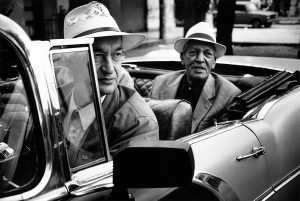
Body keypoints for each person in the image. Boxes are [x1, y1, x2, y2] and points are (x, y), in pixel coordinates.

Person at [59, 1, 159, 167]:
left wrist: (57, 145)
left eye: (117, 54)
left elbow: (110, 186)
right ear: (67, 57)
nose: (110, 68)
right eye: (96, 55)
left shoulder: (138, 121)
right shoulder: (54, 96)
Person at [149, 22, 241, 133]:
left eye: (207, 54)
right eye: (193, 52)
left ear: (214, 62)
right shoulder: (160, 83)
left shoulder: (229, 94)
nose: (200, 59)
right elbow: (148, 126)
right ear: (182, 58)